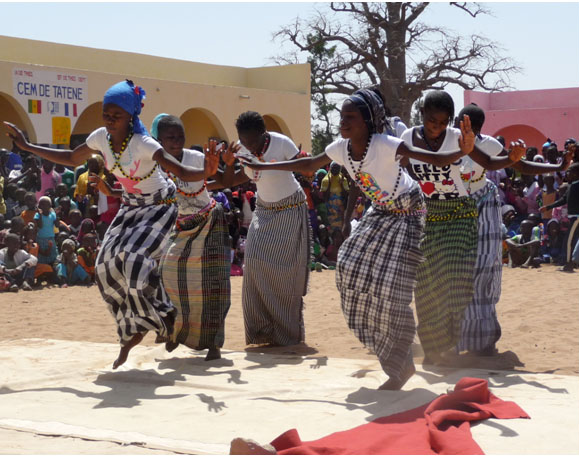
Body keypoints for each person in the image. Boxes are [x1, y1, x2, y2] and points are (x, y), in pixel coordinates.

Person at [240, 89, 474, 389]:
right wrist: (263, 166)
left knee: (390, 287)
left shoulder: (387, 144)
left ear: (366, 120)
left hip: (409, 211)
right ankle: (392, 349)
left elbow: (433, 158)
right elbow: (309, 165)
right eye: (342, 116)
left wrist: (462, 152)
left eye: (350, 117)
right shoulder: (341, 148)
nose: (343, 121)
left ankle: (400, 366)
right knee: (349, 264)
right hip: (381, 210)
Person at [5, 79, 220, 369]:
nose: (109, 120)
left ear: (131, 117)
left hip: (161, 206)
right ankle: (131, 331)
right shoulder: (100, 138)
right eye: (106, 114)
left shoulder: (144, 143)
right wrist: (28, 145)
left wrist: (206, 171)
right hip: (131, 207)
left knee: (133, 260)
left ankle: (163, 315)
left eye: (116, 115)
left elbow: (179, 170)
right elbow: (70, 157)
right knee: (105, 267)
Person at [401, 92, 525, 365]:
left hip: (459, 213)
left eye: (443, 122)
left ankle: (451, 346)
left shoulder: (458, 136)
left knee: (456, 282)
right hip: (427, 214)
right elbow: (400, 169)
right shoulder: (408, 138)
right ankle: (432, 348)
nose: (436, 127)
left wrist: (512, 159)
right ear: (422, 114)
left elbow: (490, 163)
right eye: (432, 120)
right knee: (426, 285)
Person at [454, 103, 570, 356]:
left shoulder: (491, 146)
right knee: (457, 274)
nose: (455, 128)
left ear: (474, 128)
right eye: (455, 123)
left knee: (484, 272)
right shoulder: (446, 142)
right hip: (451, 210)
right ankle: (457, 338)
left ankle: (484, 339)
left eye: (460, 123)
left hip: (483, 208)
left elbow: (522, 166)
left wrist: (557, 168)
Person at [220, 111, 313, 347]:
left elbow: (304, 168)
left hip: (291, 208)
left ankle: (286, 335)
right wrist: (230, 164)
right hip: (263, 210)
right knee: (252, 264)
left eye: (253, 141)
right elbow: (232, 180)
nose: (248, 146)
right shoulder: (241, 149)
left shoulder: (281, 142)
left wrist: (304, 164)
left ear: (263, 133)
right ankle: (262, 331)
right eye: (244, 141)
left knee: (284, 273)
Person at [150, 113, 232, 361]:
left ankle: (214, 344)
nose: (176, 141)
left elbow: (224, 180)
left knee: (213, 285)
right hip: (179, 227)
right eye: (170, 137)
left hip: (209, 222)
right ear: (158, 141)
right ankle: (174, 331)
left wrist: (224, 165)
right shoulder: (154, 167)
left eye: (180, 136)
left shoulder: (197, 158)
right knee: (166, 276)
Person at [541, 162, 579, 272]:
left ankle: (568, 264)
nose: (567, 173)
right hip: (574, 216)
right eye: (567, 171)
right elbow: (562, 200)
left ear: (577, 174)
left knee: (569, 239)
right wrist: (548, 207)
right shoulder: (570, 186)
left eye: (570, 171)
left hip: (578, 217)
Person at [34, 196, 59, 266]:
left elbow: (57, 225)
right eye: (41, 204)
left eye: (46, 204)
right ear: (39, 206)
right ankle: (43, 268)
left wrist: (57, 217)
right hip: (40, 238)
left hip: (50, 238)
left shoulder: (53, 215)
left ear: (50, 206)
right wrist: (40, 215)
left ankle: (52, 266)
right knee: (42, 255)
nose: (44, 206)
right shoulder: (37, 215)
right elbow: (40, 225)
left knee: (52, 253)